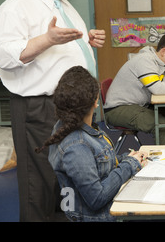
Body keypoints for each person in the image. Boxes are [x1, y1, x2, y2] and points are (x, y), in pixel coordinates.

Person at [0, 0, 105, 221]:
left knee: (63, 183)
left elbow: (60, 49)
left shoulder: (60, 4)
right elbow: (5, 56)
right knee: (39, 187)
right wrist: (48, 40)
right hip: (39, 109)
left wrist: (86, 43)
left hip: (69, 108)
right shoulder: (15, 7)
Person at [36, 66, 146, 222]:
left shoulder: (67, 127)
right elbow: (96, 198)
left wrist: (125, 158)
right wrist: (129, 166)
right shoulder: (77, 145)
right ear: (96, 101)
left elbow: (97, 165)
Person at [104, 32, 165, 145]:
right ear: (164, 51)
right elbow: (157, 89)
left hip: (136, 104)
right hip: (118, 109)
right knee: (161, 124)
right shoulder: (145, 61)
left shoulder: (160, 63)